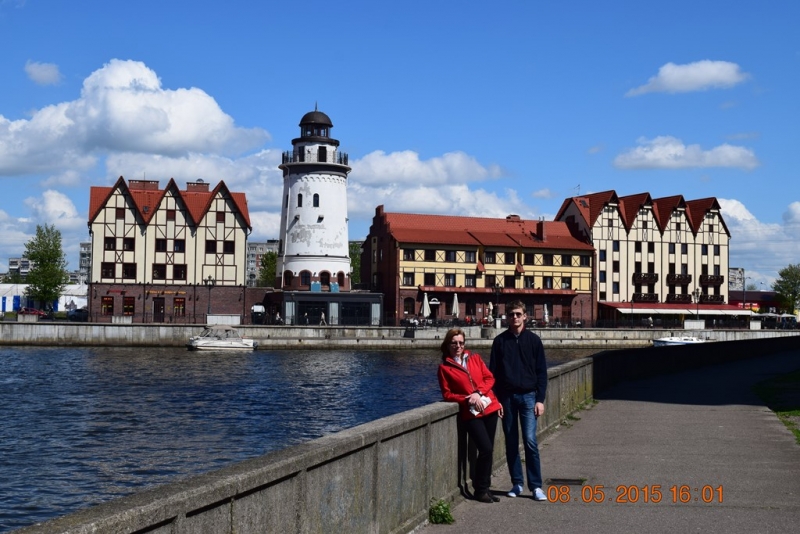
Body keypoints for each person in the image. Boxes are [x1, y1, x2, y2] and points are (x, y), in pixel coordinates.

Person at [489, 300, 548, 502]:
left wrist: (540, 399)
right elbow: (493, 374)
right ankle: (517, 483)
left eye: (518, 314)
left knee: (530, 441)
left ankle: (536, 486)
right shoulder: (500, 342)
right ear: (507, 317)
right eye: (511, 314)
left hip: (529, 396)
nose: (514, 317)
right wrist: (496, 400)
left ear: (525, 316)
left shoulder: (533, 341)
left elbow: (542, 373)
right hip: (506, 398)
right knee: (511, 442)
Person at [437, 328, 502, 503]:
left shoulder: (475, 358)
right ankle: (479, 490)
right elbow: (447, 394)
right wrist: (467, 399)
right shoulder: (445, 368)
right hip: (471, 413)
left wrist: (479, 393)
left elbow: (490, 378)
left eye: (461, 342)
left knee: (488, 452)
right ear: (448, 345)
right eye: (454, 343)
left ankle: (485, 488)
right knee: (485, 448)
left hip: (489, 407)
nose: (458, 346)